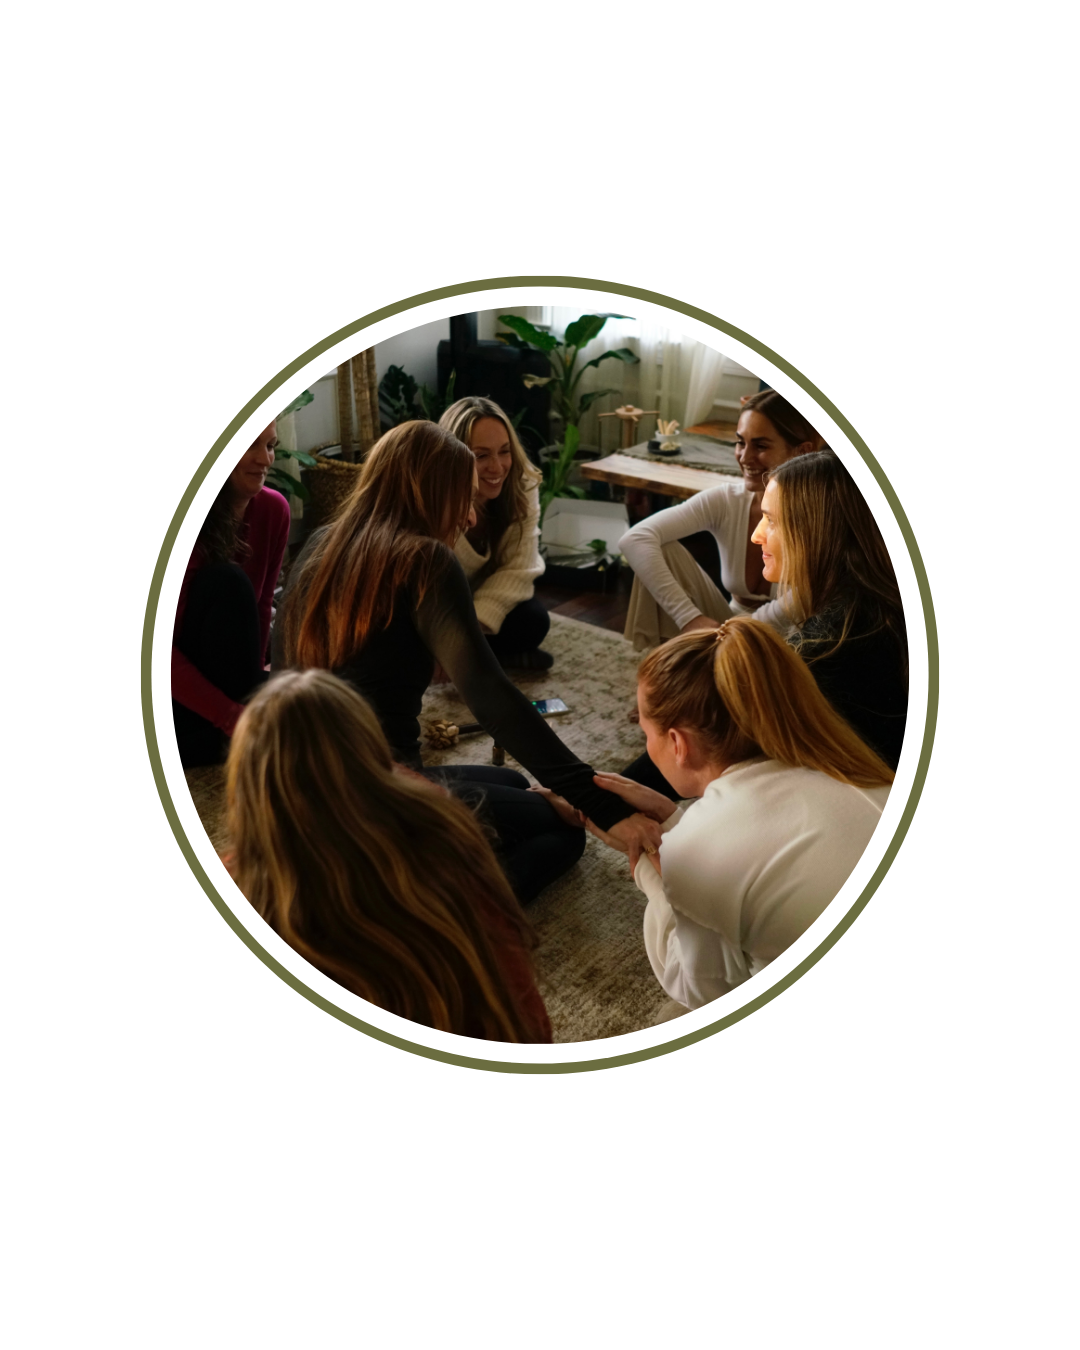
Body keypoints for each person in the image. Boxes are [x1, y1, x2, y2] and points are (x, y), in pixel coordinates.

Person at [273, 420, 662, 903]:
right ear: (430, 493)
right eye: (464, 498)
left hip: (296, 790)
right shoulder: (425, 560)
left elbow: (279, 674)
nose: (471, 518)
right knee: (563, 832)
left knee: (515, 783)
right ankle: (431, 914)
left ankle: (396, 863)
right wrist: (600, 807)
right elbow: (491, 697)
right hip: (374, 791)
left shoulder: (319, 544)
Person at [535, 619, 894, 1017]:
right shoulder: (851, 767)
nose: (646, 744)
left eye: (645, 733)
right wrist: (674, 821)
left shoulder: (701, 845)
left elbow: (701, 991)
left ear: (677, 743)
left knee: (673, 1018)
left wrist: (652, 877)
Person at [223, 669, 553, 1043]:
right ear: (371, 751)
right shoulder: (443, 841)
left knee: (514, 784)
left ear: (246, 783)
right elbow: (522, 1018)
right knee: (559, 836)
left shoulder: (231, 883)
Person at [620, 389, 825, 651]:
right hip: (729, 626)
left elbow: (788, 613)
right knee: (661, 548)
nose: (744, 457)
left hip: (789, 645)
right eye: (740, 442)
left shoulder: (824, 516)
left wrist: (724, 640)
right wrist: (690, 619)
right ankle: (665, 667)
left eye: (761, 446)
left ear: (802, 451)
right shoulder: (728, 499)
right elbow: (635, 538)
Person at [751, 450, 908, 771]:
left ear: (816, 530)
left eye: (771, 521)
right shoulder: (878, 602)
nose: (757, 535)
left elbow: (720, 739)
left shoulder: (827, 649)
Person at [172, 420, 291, 768]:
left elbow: (261, 608)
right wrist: (233, 718)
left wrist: (254, 698)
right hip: (172, 686)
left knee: (320, 694)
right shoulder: (183, 525)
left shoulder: (273, 510)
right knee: (228, 582)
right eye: (250, 445)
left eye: (270, 445)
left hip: (230, 680)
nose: (265, 459)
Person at [439, 396, 553, 670]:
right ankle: (496, 661)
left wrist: (466, 638)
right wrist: (444, 640)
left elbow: (520, 568)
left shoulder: (523, 485)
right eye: (481, 455)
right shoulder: (436, 495)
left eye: (504, 451)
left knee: (533, 619)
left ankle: (475, 660)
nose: (497, 466)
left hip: (478, 604)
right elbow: (426, 587)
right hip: (438, 608)